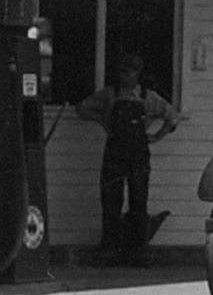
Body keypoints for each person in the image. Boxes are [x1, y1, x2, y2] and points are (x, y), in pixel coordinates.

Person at [75, 53, 179, 263]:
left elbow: (172, 115)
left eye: (131, 71)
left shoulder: (148, 97)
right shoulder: (109, 95)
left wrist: (157, 136)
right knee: (111, 199)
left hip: (138, 152)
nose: (127, 75)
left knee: (139, 200)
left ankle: (137, 250)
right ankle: (110, 249)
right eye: (123, 70)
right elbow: (82, 109)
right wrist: (101, 120)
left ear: (138, 73)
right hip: (114, 151)